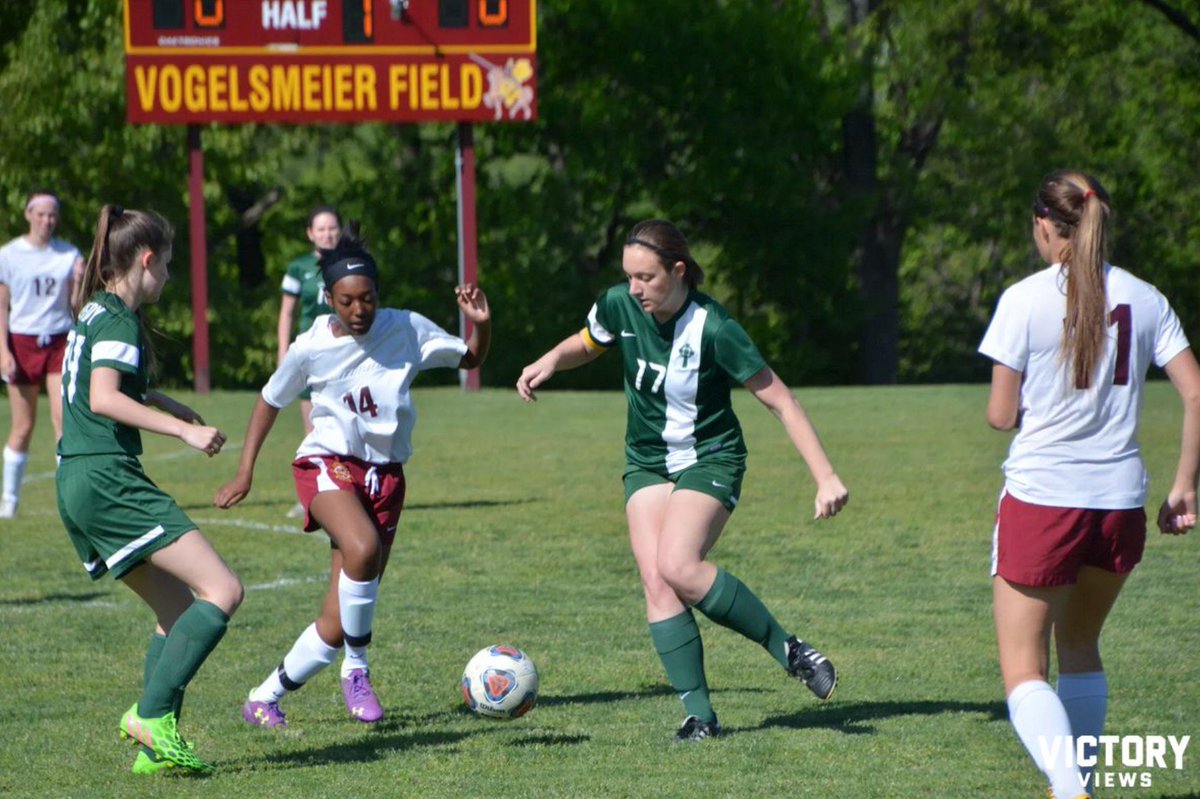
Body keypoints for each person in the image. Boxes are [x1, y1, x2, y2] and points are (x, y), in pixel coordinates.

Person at [516, 219, 849, 742]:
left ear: (678, 271)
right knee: (656, 578)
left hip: (710, 457)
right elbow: (589, 341)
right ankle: (701, 717)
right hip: (647, 459)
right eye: (628, 276)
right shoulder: (619, 304)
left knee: (678, 564)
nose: (634, 288)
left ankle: (790, 651)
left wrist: (825, 476)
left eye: (646, 277)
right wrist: (552, 360)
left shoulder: (714, 328)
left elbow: (779, 398)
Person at [979, 170, 1200, 799]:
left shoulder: (1023, 299)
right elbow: (1196, 390)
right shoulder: (1146, 296)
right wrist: (1184, 486)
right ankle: (1077, 785)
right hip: (1120, 503)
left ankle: (1070, 788)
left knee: (1025, 671)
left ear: (1045, 225)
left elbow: (1000, 415)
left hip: (1044, 500)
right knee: (1081, 647)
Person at [215, 233, 491, 728]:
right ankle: (358, 671)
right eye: (347, 301)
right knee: (361, 548)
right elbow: (270, 400)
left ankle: (263, 697)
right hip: (327, 463)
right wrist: (245, 470)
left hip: (386, 478)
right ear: (328, 299)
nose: (359, 309)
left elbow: (469, 359)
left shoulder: (406, 328)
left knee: (338, 622)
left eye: (368, 298)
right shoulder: (311, 346)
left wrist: (482, 326)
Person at [56, 204, 243, 775]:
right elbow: (105, 398)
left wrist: (163, 400)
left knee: (174, 607)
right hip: (108, 478)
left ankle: (153, 752)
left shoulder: (94, 310)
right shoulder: (115, 317)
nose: (168, 275)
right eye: (166, 264)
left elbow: (98, 387)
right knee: (222, 589)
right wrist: (186, 430)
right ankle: (152, 716)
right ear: (144, 260)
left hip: (78, 479)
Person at [0, 191, 85, 518]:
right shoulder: (9, 254)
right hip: (22, 341)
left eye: (52, 215)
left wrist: (78, 282)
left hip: (58, 342)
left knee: (64, 421)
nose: (47, 220)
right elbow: (3, 305)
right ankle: (9, 499)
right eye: (41, 214)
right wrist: (3, 349)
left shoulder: (68, 254)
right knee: (23, 426)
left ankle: (70, 497)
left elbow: (75, 306)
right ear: (28, 214)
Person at [277, 205, 342, 517]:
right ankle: (313, 495)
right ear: (310, 233)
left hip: (345, 356)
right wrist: (283, 355)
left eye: (332, 228)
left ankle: (346, 492)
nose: (327, 234)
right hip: (311, 357)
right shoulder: (298, 268)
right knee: (313, 430)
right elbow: (287, 313)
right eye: (321, 229)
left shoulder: (349, 263)